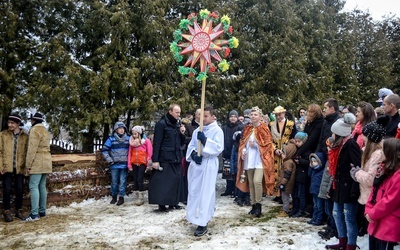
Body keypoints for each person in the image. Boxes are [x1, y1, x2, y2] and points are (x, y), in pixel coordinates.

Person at [185, 106, 224, 237]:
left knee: (205, 192)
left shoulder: (217, 130)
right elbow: (191, 146)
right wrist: (194, 155)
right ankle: (194, 216)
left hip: (208, 164)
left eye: (206, 116)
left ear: (213, 117)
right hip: (197, 165)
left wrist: (206, 141)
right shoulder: (197, 130)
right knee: (194, 191)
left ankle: (203, 222)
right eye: (201, 116)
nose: (203, 118)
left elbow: (219, 147)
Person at [325, 113, 361, 250]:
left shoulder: (351, 145)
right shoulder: (338, 146)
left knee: (349, 218)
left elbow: (357, 166)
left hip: (349, 188)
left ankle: (350, 245)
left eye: (334, 133)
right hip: (338, 186)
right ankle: (342, 241)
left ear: (339, 134)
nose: (332, 135)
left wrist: (354, 189)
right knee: (337, 214)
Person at [236, 107, 274, 217]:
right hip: (249, 158)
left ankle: (258, 204)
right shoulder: (247, 128)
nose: (253, 116)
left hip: (260, 159)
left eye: (255, 115)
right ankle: (253, 204)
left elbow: (267, 145)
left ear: (260, 117)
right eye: (251, 115)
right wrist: (243, 150)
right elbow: (243, 142)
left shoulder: (264, 128)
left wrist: (257, 145)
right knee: (251, 182)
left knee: (257, 181)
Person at [148, 104, 185, 212]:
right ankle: (162, 204)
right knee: (164, 182)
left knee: (175, 181)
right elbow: (157, 143)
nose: (179, 114)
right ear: (170, 112)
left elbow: (181, 142)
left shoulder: (177, 124)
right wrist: (155, 160)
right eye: (177, 112)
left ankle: (174, 202)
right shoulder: (161, 124)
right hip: (165, 157)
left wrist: (182, 133)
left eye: (179, 112)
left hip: (176, 156)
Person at [350, 121, 385, 236]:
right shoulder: (368, 151)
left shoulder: (378, 154)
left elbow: (371, 178)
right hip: (367, 194)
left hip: (373, 196)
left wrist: (357, 173)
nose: (362, 137)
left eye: (364, 135)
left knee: (373, 229)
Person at [365, 138, 400, 250]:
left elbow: (390, 201)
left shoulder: (397, 175)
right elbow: (374, 191)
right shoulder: (382, 169)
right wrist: (368, 210)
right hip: (376, 219)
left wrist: (372, 213)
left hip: (388, 223)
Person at [0, 114, 29, 222]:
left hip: (19, 167)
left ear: (18, 124)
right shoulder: (3, 135)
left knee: (20, 189)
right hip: (7, 167)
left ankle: (19, 210)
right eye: (9, 122)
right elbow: (0, 151)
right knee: (7, 190)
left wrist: (26, 166)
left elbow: (27, 152)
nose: (9, 125)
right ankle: (7, 211)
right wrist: (1, 165)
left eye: (12, 123)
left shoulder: (25, 137)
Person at [24, 113, 52, 221]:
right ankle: (42, 211)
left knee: (33, 186)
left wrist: (28, 165)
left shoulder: (34, 130)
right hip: (47, 160)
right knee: (42, 186)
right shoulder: (45, 130)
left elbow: (32, 149)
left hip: (37, 160)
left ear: (33, 120)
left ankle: (34, 214)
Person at [269, 106, 296, 201]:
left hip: (286, 153)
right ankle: (277, 193)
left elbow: (293, 139)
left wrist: (287, 150)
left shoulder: (291, 124)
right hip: (276, 152)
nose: (278, 117)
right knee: (276, 172)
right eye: (276, 115)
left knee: (285, 172)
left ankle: (285, 193)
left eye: (279, 115)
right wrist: (275, 149)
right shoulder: (271, 124)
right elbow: (269, 139)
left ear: (284, 113)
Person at [102, 121, 130, 206]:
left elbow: (134, 148)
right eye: (119, 128)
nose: (121, 130)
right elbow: (105, 150)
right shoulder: (111, 139)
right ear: (115, 130)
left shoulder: (129, 139)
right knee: (114, 181)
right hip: (114, 164)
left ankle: (121, 197)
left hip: (124, 164)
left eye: (123, 128)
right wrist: (109, 160)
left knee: (123, 181)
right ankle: (114, 196)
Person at [127, 125, 152, 206]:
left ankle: (141, 196)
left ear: (139, 133)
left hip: (142, 162)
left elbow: (150, 152)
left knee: (139, 179)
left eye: (135, 134)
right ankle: (137, 195)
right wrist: (129, 164)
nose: (134, 135)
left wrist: (148, 162)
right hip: (134, 162)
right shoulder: (132, 143)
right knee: (135, 179)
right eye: (133, 134)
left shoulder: (146, 141)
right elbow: (129, 154)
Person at [221, 110, 241, 197]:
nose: (233, 118)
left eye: (234, 116)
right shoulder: (224, 128)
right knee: (227, 172)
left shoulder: (240, 127)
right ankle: (228, 189)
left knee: (235, 172)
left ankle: (235, 190)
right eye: (231, 116)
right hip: (226, 152)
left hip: (236, 153)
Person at [291, 131, 311, 218]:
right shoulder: (296, 149)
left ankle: (301, 210)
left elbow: (309, 162)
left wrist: (300, 161)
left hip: (303, 176)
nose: (297, 143)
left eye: (299, 141)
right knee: (295, 193)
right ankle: (295, 208)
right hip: (297, 175)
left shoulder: (307, 151)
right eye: (296, 141)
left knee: (301, 194)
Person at [276, 142, 297, 217]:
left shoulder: (288, 163)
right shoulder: (288, 161)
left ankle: (285, 210)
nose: (282, 155)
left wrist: (282, 183)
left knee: (285, 198)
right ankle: (286, 208)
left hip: (286, 185)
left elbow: (287, 175)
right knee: (286, 197)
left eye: (284, 153)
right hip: (286, 184)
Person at [307, 152, 326, 226]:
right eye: (312, 162)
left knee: (319, 206)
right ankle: (314, 218)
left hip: (319, 191)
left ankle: (319, 219)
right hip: (314, 191)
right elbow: (309, 175)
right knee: (315, 206)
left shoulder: (322, 171)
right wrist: (310, 167)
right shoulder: (313, 170)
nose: (313, 163)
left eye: (315, 161)